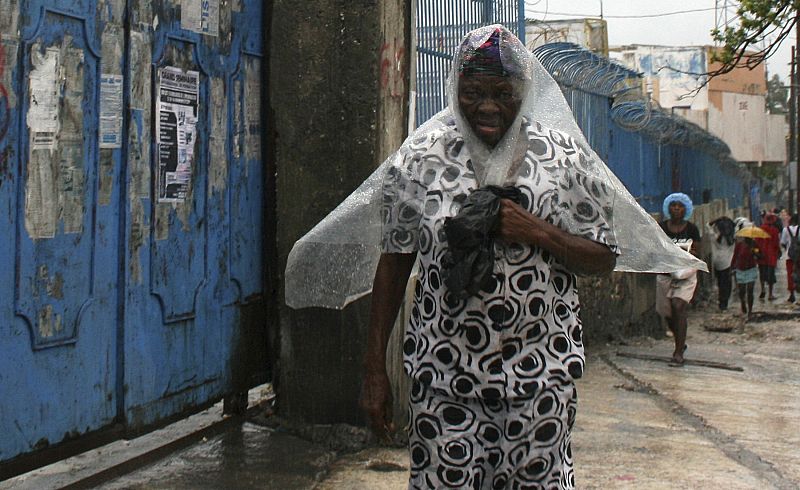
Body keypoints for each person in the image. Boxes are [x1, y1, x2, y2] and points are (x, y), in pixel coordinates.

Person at [360, 26, 619, 489]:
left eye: (503, 92)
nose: (486, 105)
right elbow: (395, 260)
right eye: (473, 91)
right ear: (453, 87)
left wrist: (535, 230)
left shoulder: (563, 159)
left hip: (540, 378)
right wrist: (374, 366)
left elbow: (602, 256)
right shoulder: (421, 159)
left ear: (525, 92)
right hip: (445, 379)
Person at [656, 193, 700, 366]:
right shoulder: (661, 228)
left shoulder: (692, 229)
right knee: (667, 313)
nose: (676, 208)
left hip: (686, 276)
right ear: (668, 208)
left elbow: (698, 252)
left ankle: (678, 352)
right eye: (673, 205)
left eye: (680, 205)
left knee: (678, 306)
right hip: (665, 275)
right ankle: (680, 340)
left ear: (686, 209)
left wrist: (688, 252)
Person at [707, 217, 735, 310]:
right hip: (728, 264)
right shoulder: (732, 240)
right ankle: (724, 303)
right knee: (727, 284)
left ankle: (721, 302)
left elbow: (708, 226)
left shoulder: (715, 238)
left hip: (717, 264)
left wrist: (716, 220)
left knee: (720, 283)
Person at [731, 232, 759, 317]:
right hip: (740, 270)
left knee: (750, 290)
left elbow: (760, 255)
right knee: (742, 290)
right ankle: (743, 302)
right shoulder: (739, 245)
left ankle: (750, 310)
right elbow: (735, 256)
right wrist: (732, 267)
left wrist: (754, 252)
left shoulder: (754, 244)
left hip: (751, 269)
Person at [756, 213, 781, 301]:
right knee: (771, 276)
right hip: (771, 256)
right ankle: (770, 294)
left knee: (762, 274)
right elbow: (776, 244)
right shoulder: (775, 230)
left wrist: (757, 253)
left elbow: (756, 242)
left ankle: (763, 289)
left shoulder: (760, 229)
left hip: (762, 256)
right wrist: (778, 252)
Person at [780, 213, 799, 303]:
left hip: (789, 256)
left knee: (790, 274)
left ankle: (792, 294)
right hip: (799, 257)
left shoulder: (785, 230)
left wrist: (788, 248)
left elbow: (783, 242)